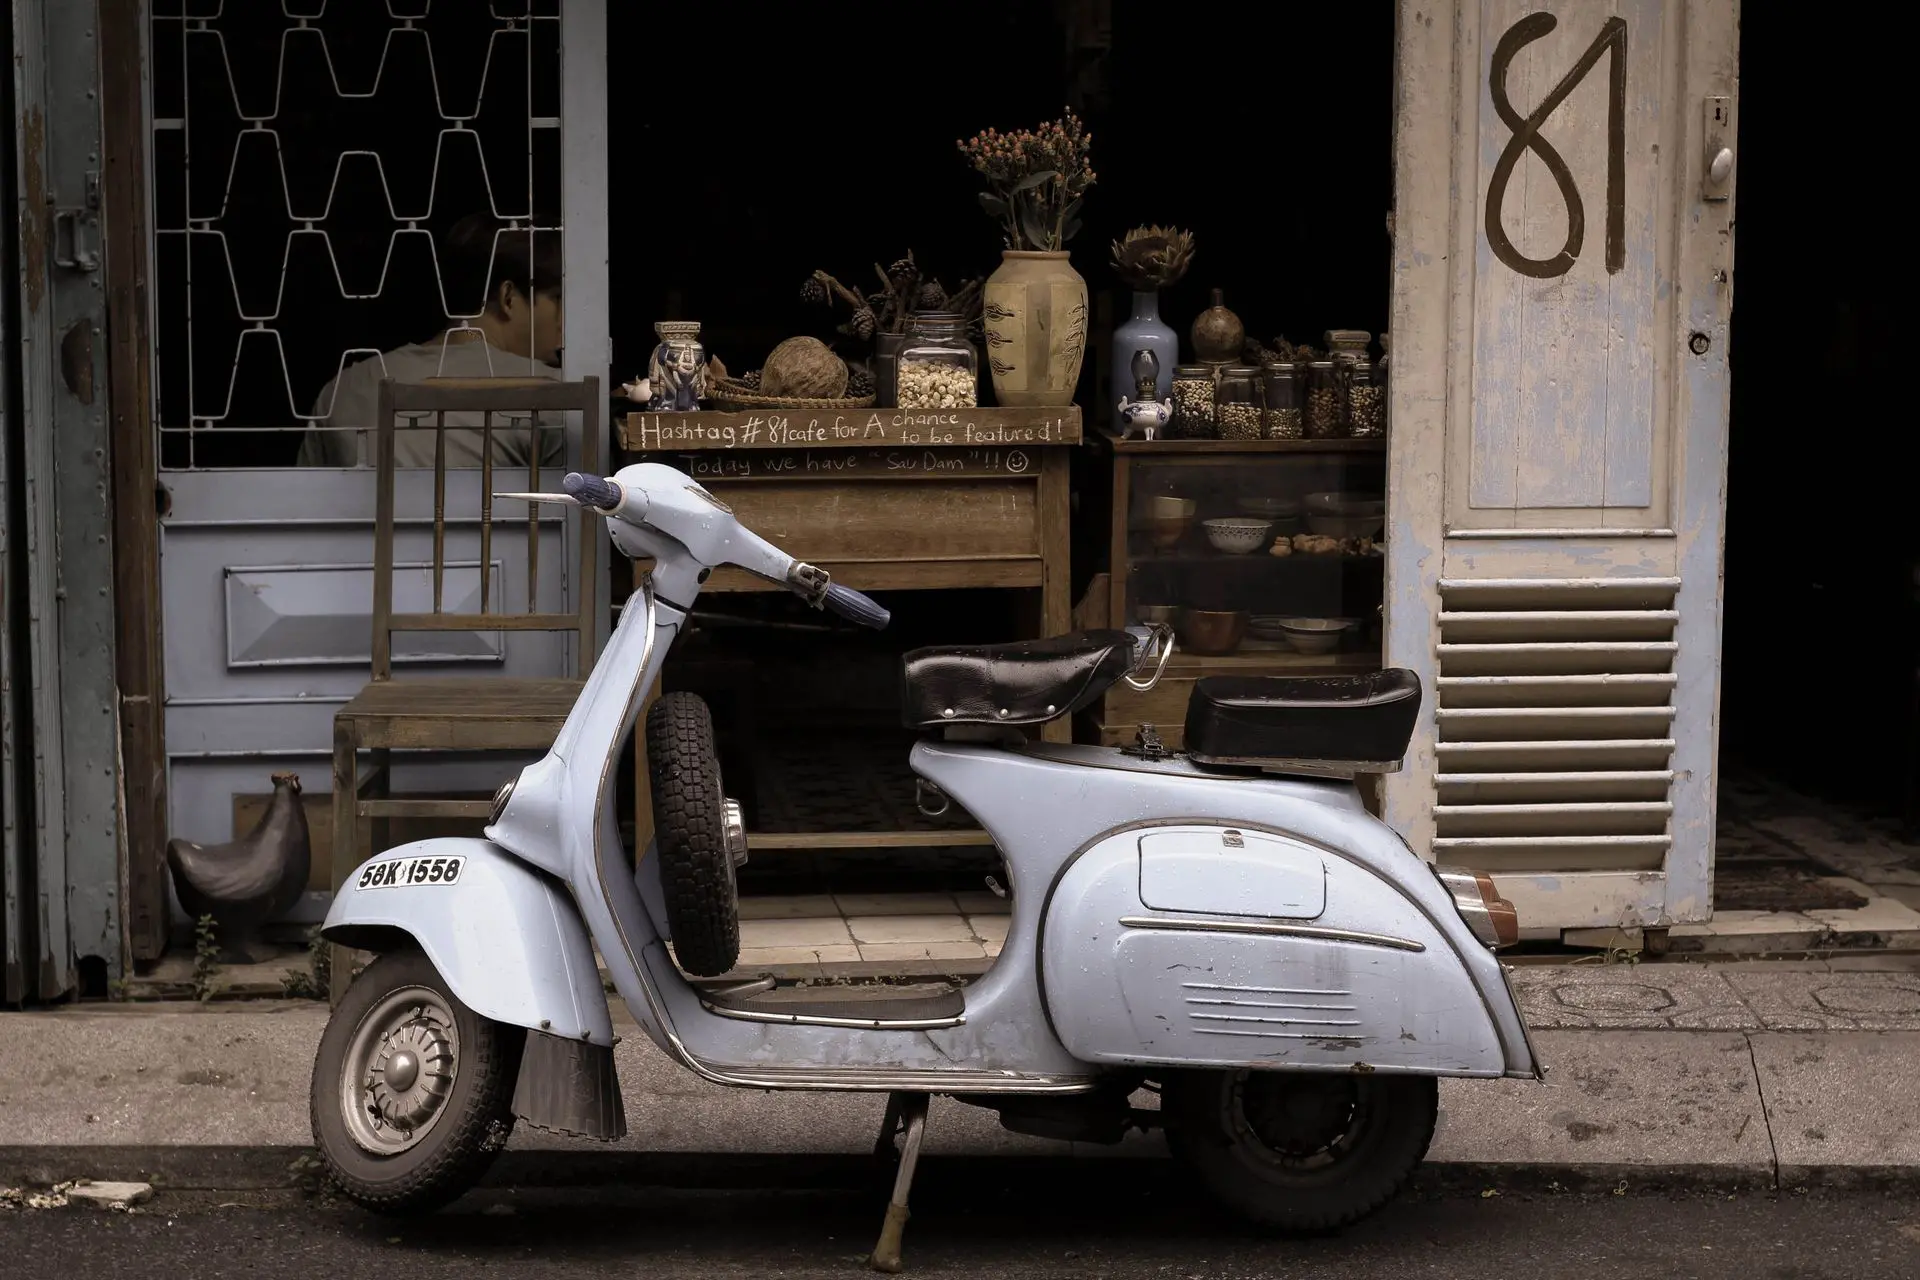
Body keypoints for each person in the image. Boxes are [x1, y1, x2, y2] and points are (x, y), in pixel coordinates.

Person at [297, 214, 567, 468]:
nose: (566, 319)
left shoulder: (343, 388)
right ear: (508, 298)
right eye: (558, 299)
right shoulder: (549, 392)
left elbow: (305, 507)